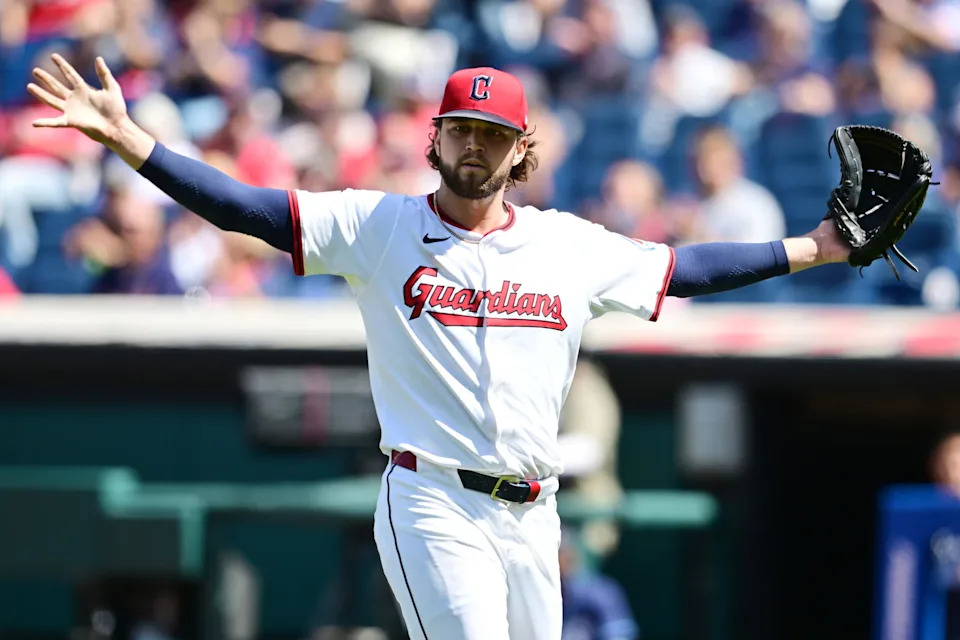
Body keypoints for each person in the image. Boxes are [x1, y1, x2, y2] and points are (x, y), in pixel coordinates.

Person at [26, 54, 852, 639]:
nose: (474, 146)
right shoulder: (380, 227)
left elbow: (686, 269)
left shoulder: (569, 247)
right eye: (462, 128)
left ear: (522, 148)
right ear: (436, 135)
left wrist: (813, 247)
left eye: (493, 135)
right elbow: (249, 209)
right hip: (433, 499)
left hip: (535, 514)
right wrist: (135, 144)